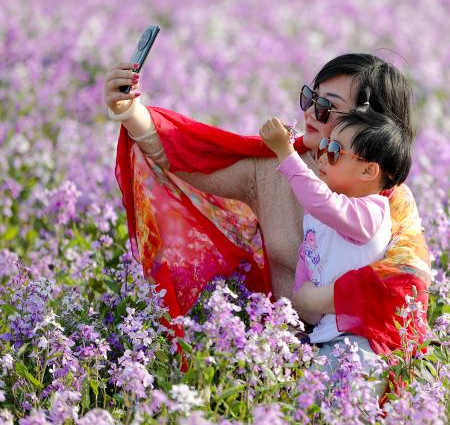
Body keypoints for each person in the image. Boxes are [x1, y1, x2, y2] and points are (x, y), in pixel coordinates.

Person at [103, 53, 431, 373]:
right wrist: (130, 111)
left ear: (368, 124)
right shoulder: (275, 164)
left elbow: (405, 287)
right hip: (279, 359)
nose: (311, 113)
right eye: (310, 98)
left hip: (359, 359)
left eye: (327, 106)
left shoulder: (390, 199)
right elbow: (188, 155)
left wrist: (319, 300)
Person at [258, 100, 411, 385]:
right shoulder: (317, 218)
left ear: (368, 172)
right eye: (326, 146)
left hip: (361, 345)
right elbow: (306, 285)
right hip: (325, 342)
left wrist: (285, 152)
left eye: (335, 151)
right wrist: (302, 302)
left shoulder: (372, 212)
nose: (322, 156)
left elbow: (322, 203)